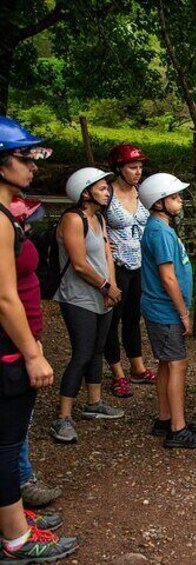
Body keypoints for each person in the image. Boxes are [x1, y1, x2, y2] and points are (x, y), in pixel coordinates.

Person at [0, 116, 78, 561]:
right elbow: (5, 297)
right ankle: (15, 541)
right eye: (23, 157)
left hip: (14, 344)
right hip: (9, 349)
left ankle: (11, 519)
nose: (32, 166)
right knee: (7, 444)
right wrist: (31, 353)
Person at [51, 167, 125, 444]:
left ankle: (94, 403)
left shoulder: (99, 218)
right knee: (81, 353)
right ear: (85, 192)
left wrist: (112, 287)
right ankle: (63, 418)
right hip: (77, 297)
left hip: (102, 295)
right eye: (102, 188)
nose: (108, 192)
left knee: (96, 350)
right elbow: (80, 263)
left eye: (107, 188)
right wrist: (105, 286)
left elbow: (107, 253)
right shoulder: (73, 219)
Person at [139, 173, 196, 449]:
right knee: (177, 365)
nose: (180, 201)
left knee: (167, 364)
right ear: (158, 202)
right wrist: (183, 313)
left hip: (163, 309)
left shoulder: (163, 229)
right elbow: (168, 278)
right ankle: (177, 429)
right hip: (165, 309)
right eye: (174, 197)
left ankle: (166, 417)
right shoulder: (159, 232)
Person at [8, 196, 62, 507]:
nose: (28, 229)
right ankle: (20, 485)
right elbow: (7, 300)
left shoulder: (16, 240)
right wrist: (31, 351)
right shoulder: (7, 243)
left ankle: (20, 481)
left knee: (17, 423)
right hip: (14, 344)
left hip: (24, 338)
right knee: (12, 427)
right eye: (23, 222)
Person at [104, 143, 154, 398]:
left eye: (140, 167)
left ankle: (137, 365)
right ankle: (117, 372)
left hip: (140, 264)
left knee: (134, 316)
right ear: (119, 168)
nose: (138, 172)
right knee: (113, 319)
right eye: (133, 167)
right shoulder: (107, 194)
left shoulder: (141, 192)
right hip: (117, 264)